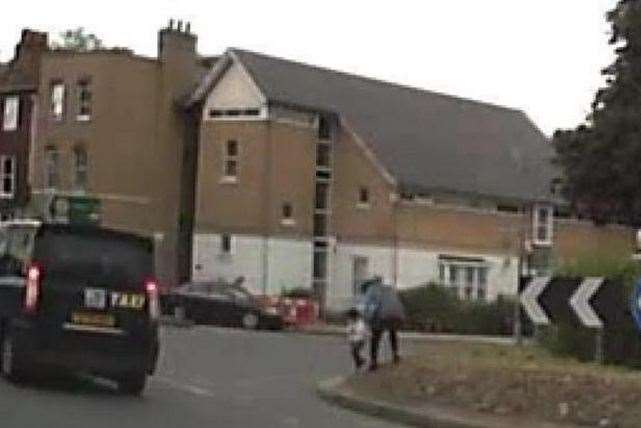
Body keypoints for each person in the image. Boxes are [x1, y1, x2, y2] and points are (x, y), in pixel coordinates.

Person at [361, 276, 406, 371]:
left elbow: (372, 306)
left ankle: (373, 362)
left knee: (375, 338)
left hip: (382, 315)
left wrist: (367, 319)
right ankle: (396, 354)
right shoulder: (389, 289)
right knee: (393, 333)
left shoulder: (372, 290)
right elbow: (397, 302)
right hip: (397, 315)